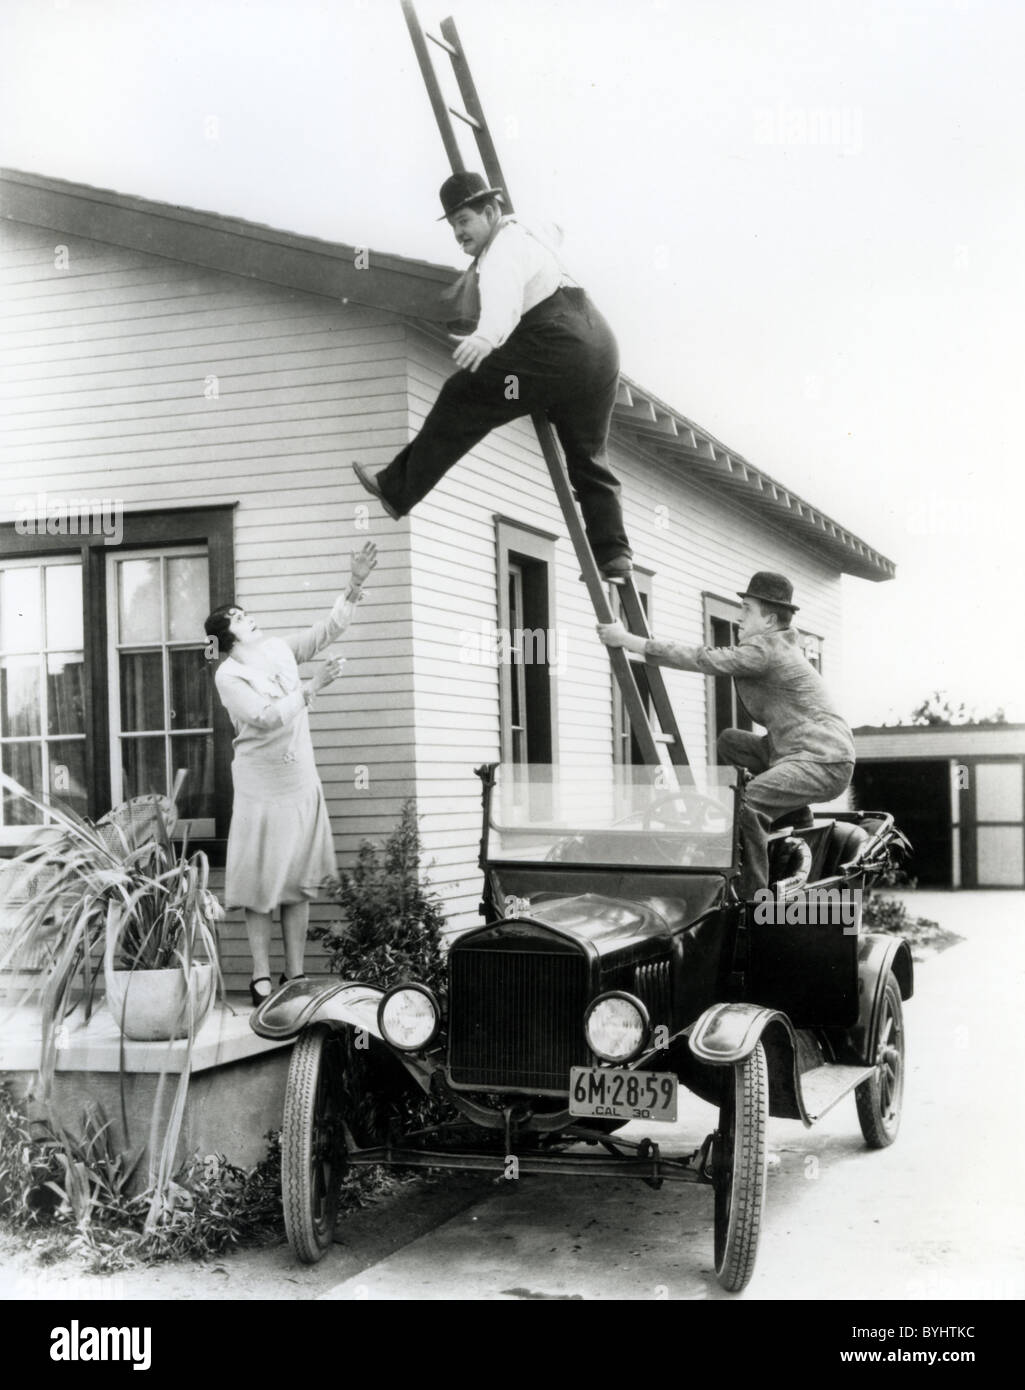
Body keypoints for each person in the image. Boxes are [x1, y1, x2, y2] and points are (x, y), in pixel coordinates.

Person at [353, 171, 633, 582]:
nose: (458, 234)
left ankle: (397, 489)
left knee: (461, 396)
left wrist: (485, 339)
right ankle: (614, 556)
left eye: (464, 222)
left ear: (489, 212)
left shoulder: (502, 250)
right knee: (587, 454)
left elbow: (502, 304)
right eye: (452, 226)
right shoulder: (527, 228)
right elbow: (557, 229)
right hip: (600, 346)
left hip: (558, 343)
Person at [597, 571, 855, 895]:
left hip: (823, 760)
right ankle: (793, 814)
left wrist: (629, 641)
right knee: (731, 742)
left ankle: (754, 903)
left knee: (748, 806)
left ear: (770, 619)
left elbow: (702, 658)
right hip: (796, 750)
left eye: (747, 609)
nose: (739, 617)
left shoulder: (766, 650)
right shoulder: (777, 644)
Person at [204, 542, 377, 1004]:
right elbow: (264, 717)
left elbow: (327, 630)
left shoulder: (279, 648)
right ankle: (261, 978)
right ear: (228, 635)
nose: (248, 617)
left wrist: (354, 582)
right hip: (262, 786)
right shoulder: (228, 675)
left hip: (299, 780)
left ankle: (294, 975)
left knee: (296, 880)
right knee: (263, 882)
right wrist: (313, 686)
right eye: (238, 617)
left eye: (245, 611)